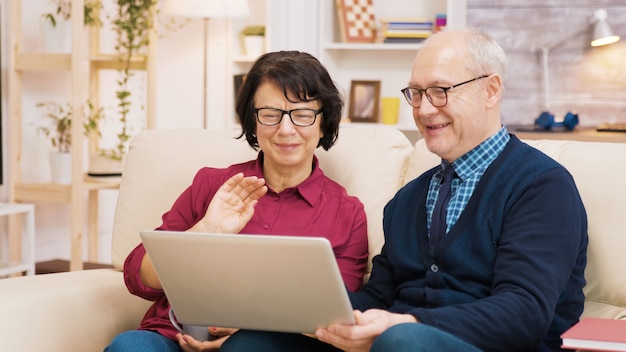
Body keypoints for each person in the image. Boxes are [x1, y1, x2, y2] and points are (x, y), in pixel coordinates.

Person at [221, 28, 589, 352]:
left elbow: (524, 313)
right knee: (253, 340)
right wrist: (300, 307)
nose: (425, 109)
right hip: (394, 342)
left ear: (490, 90)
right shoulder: (408, 199)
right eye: (416, 93)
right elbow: (379, 297)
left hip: (471, 345)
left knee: (401, 342)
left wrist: (404, 325)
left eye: (440, 92)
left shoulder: (541, 185)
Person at [104, 50, 369, 352]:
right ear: (252, 121)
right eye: (270, 114)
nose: (285, 129)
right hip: (173, 337)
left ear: (324, 122)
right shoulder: (212, 185)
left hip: (270, 345)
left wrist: (243, 333)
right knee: (129, 347)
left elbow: (335, 318)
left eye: (302, 114)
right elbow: (138, 277)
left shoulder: (346, 213)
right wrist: (206, 230)